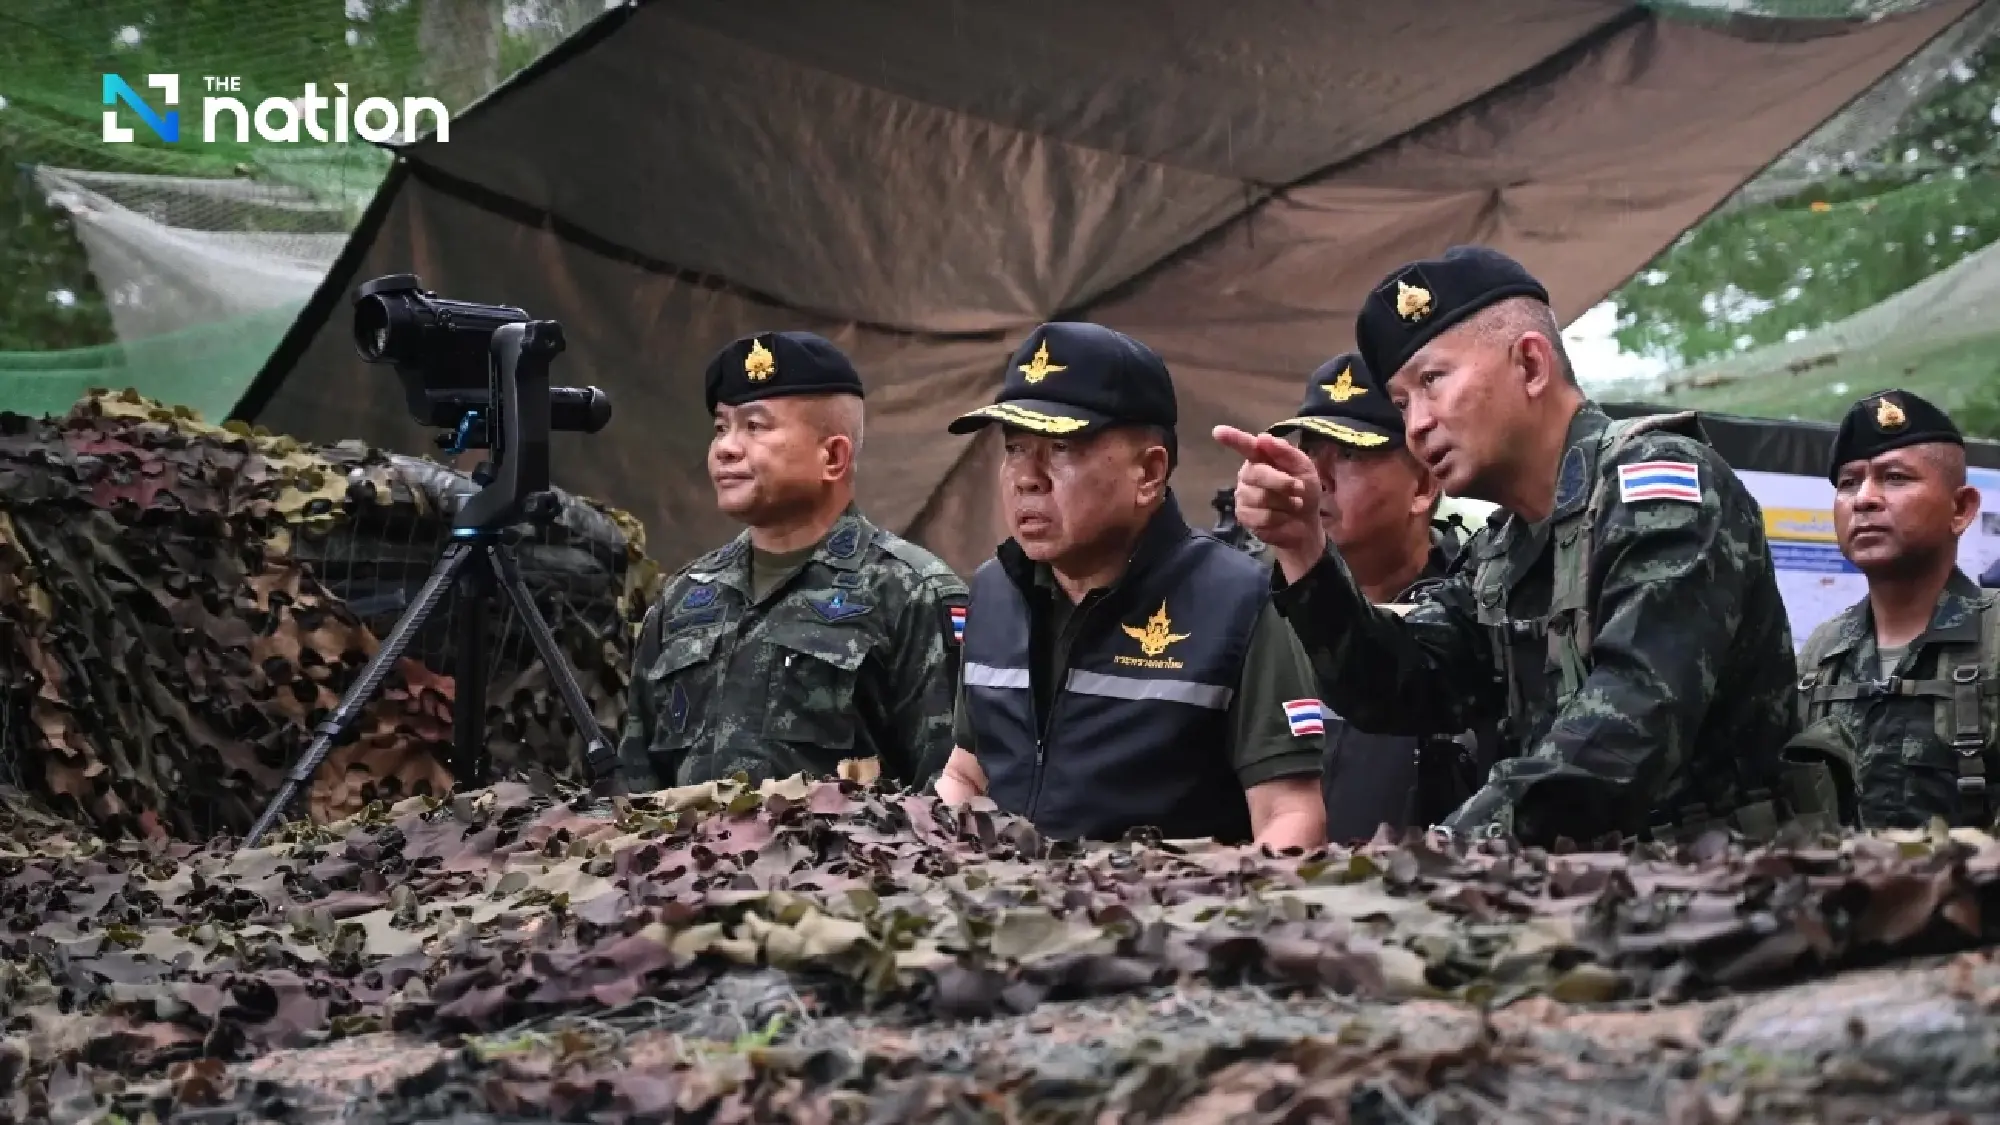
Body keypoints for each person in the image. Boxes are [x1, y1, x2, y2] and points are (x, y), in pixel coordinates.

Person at [1216, 245, 1840, 847]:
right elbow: (1397, 684)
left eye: (1433, 381)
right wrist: (1304, 553)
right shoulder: (1505, 547)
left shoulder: (1660, 484)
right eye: (1403, 403)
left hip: (1730, 890)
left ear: (1532, 365)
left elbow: (1633, 719)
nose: (1417, 424)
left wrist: (1448, 848)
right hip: (1605, 890)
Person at [932, 322, 1327, 850]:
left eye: (1062, 449)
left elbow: (1289, 817)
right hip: (1002, 921)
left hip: (1157, 921)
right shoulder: (995, 589)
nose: (1027, 476)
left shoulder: (1241, 603)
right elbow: (968, 773)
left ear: (1149, 472)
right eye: (1015, 447)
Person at [615, 331, 969, 792]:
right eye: (721, 427)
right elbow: (634, 787)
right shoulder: (685, 597)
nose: (725, 447)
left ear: (833, 457)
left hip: (846, 865)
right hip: (683, 864)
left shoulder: (910, 592)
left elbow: (948, 798)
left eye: (755, 426)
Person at [1264, 350, 1498, 841]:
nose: (1316, 479)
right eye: (1309, 451)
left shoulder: (1482, 615)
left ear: (1421, 486)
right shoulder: (1257, 605)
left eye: (1349, 454)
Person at [1793, 390, 1998, 830]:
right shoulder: (1820, 656)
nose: (1863, 499)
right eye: (1849, 482)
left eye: (1895, 478)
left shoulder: (1994, 636)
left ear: (1961, 509)